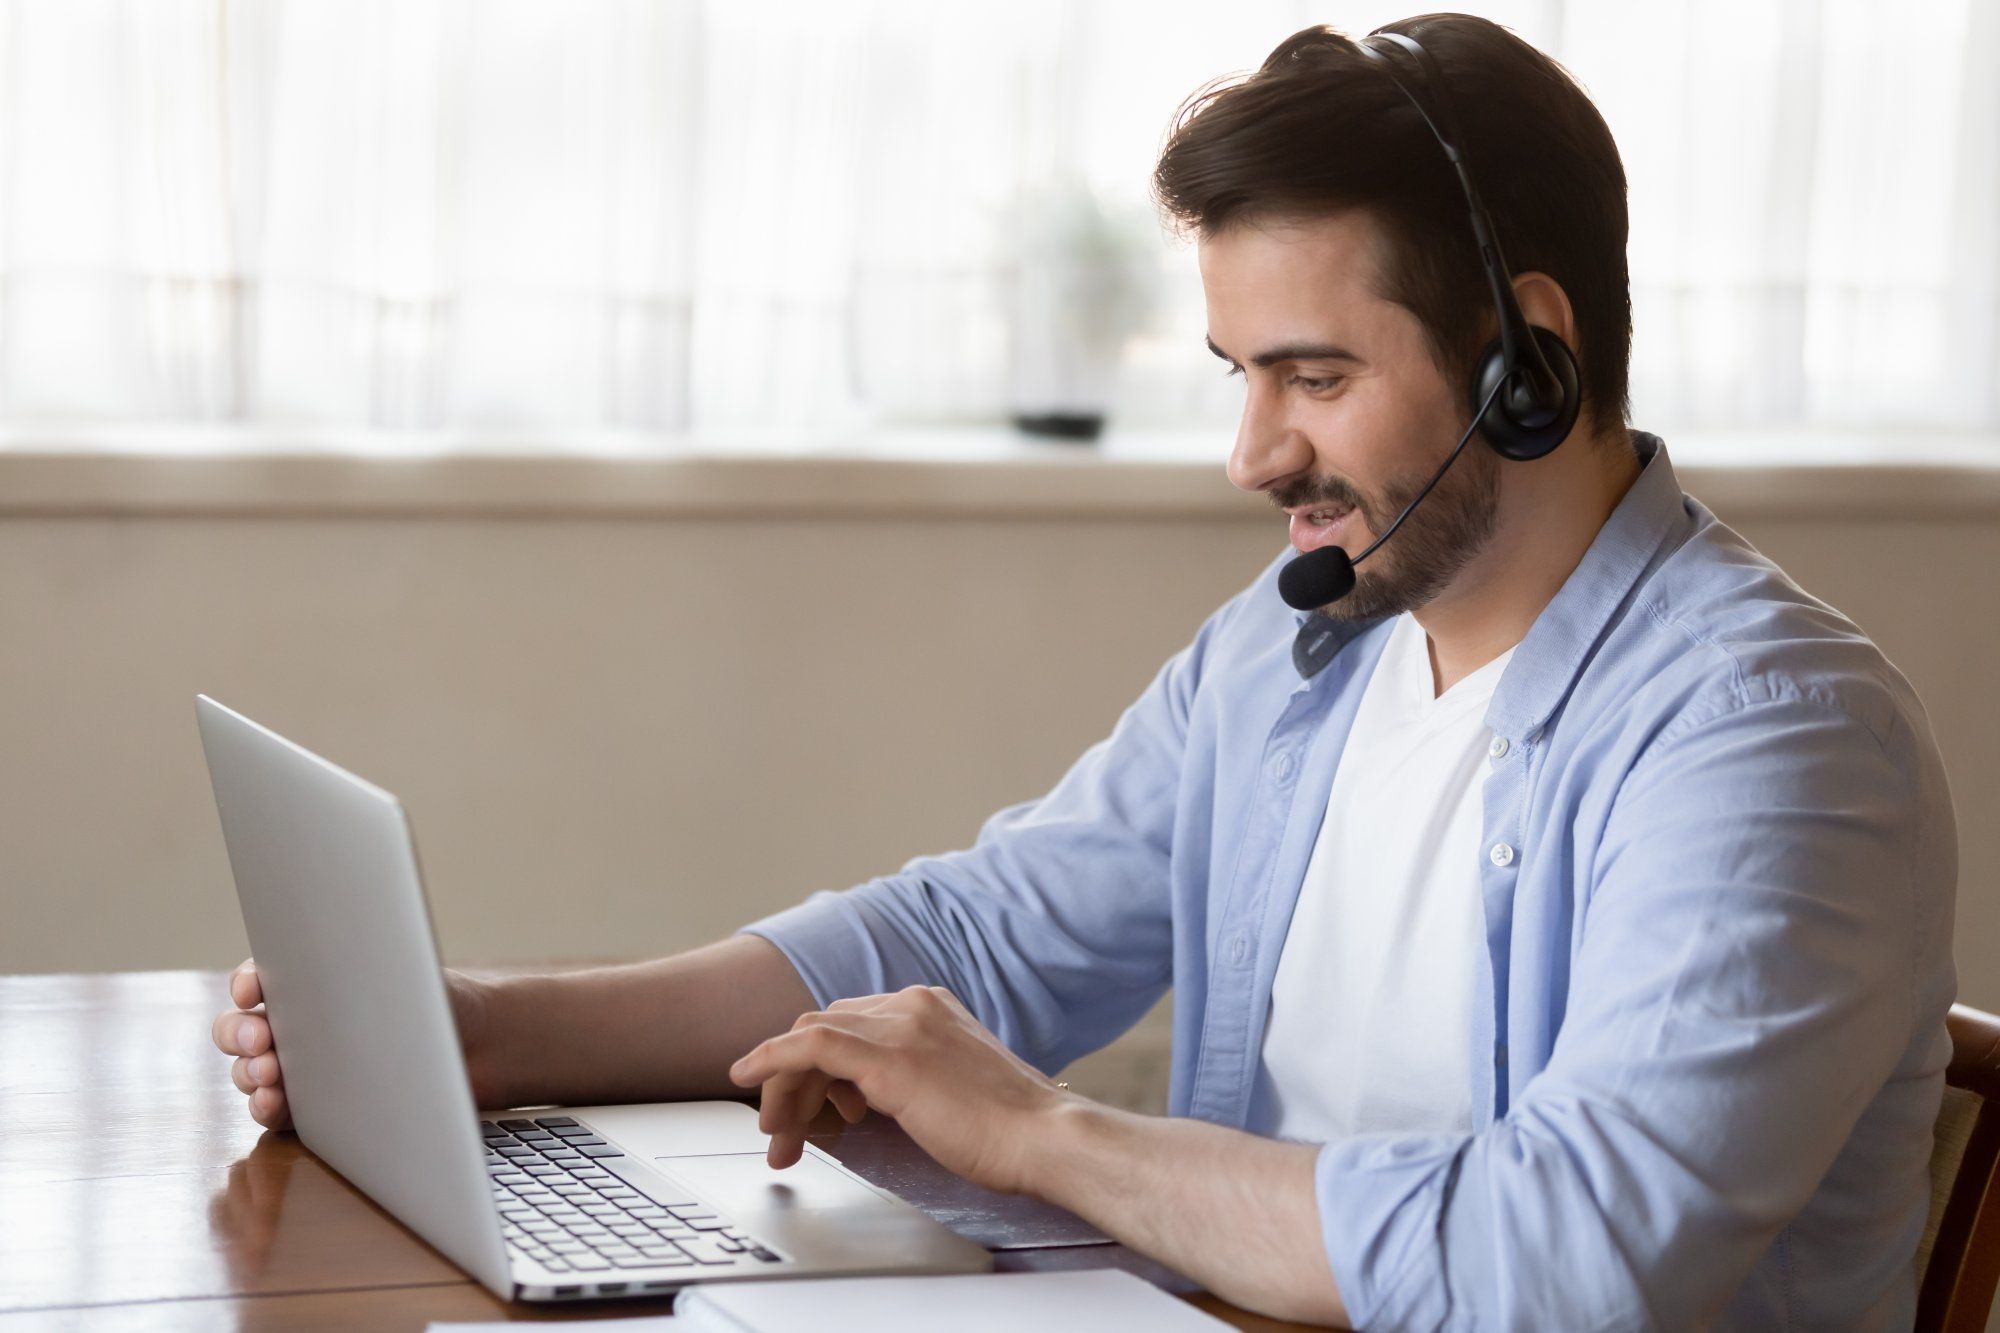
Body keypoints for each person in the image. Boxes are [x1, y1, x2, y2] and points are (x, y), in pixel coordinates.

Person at [210, 14, 1957, 1329]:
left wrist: (1048, 1137)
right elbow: (980, 935)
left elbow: (1573, 1254)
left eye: (1315, 377)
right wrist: (491, 1036)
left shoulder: (1769, 743)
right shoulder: (1302, 652)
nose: (1253, 453)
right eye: (1234, 375)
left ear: (1530, 359)